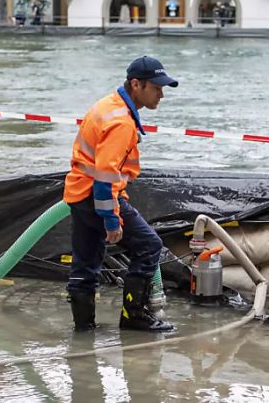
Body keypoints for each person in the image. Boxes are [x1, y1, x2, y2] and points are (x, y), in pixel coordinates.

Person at [64, 56, 178, 333]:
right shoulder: (121, 123)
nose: (161, 94)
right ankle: (134, 316)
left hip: (79, 193)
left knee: (86, 264)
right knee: (149, 245)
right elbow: (105, 177)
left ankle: (84, 328)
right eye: (156, 88)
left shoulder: (108, 105)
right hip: (96, 197)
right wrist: (112, 220)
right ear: (136, 85)